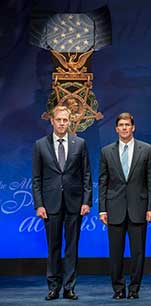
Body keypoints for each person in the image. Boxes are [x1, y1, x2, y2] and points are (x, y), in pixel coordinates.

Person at [32, 105, 92, 301]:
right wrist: (39, 204)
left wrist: (86, 201)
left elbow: (86, 175)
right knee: (53, 247)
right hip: (50, 205)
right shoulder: (40, 145)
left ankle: (69, 288)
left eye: (65, 120)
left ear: (70, 121)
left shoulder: (80, 143)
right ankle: (53, 287)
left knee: (72, 247)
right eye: (59, 119)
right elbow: (37, 178)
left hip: (74, 203)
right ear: (52, 120)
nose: (62, 123)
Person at [98, 112, 151, 299]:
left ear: (133, 127)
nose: (124, 128)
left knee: (138, 253)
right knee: (115, 254)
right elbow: (103, 182)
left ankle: (134, 289)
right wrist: (102, 209)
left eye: (127, 124)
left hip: (138, 209)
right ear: (116, 129)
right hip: (114, 209)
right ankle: (118, 289)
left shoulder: (147, 150)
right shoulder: (106, 151)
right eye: (121, 125)